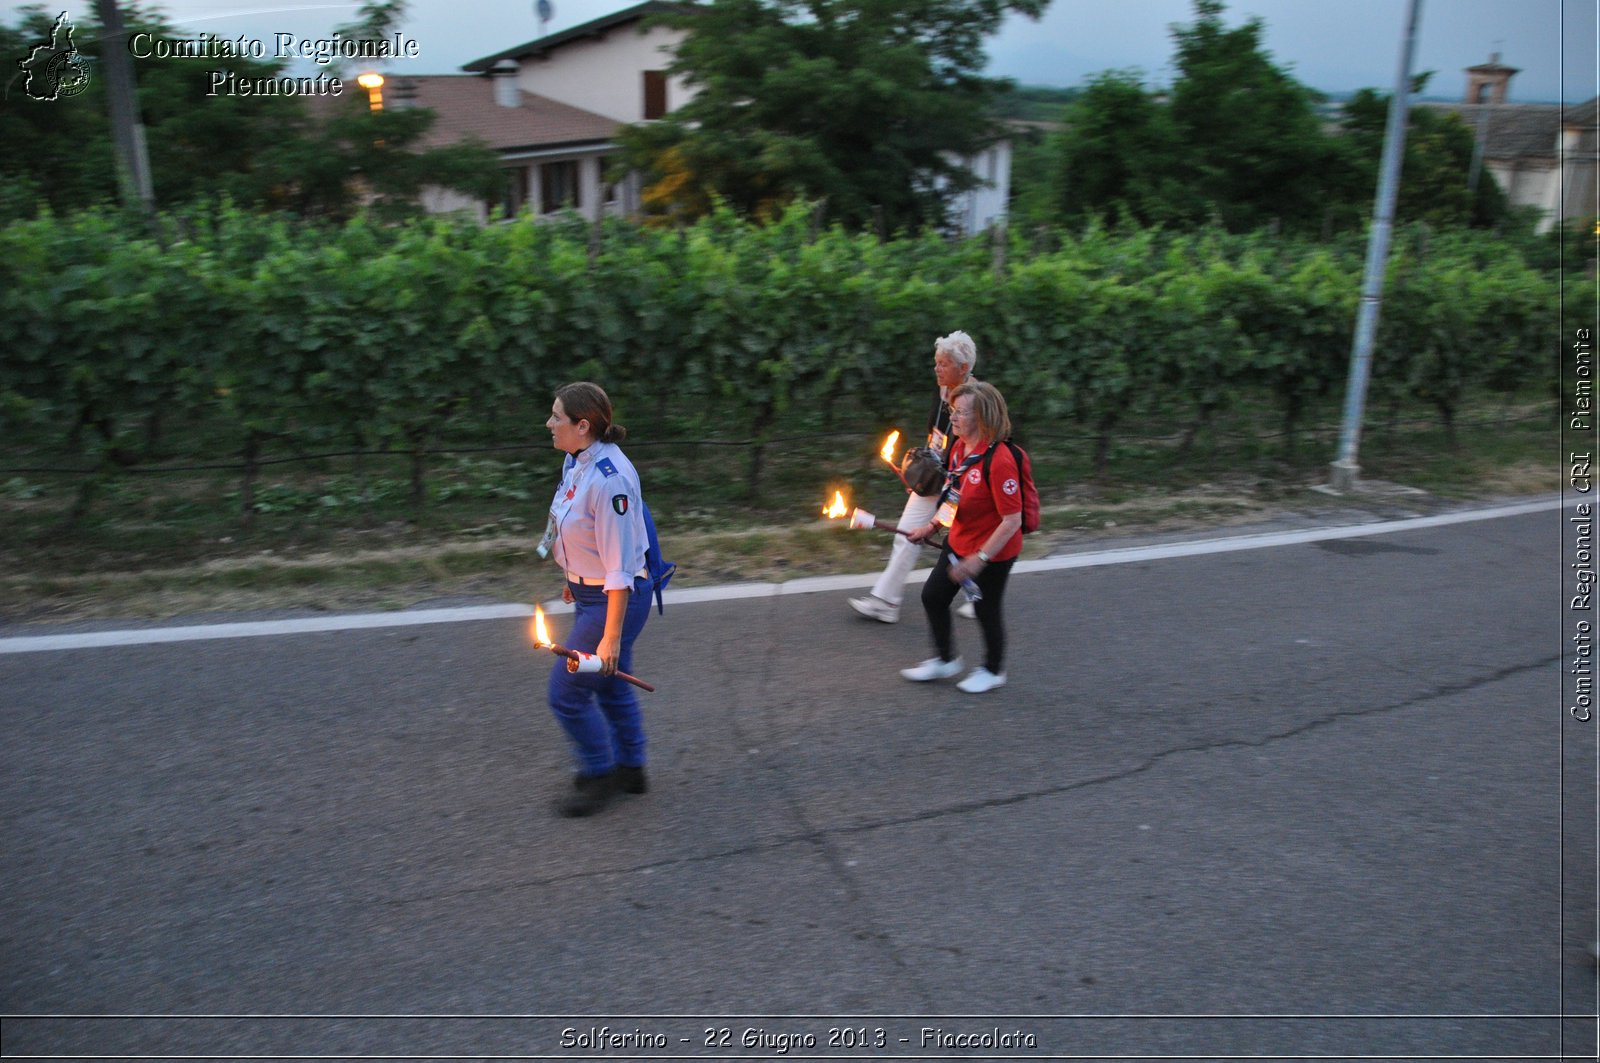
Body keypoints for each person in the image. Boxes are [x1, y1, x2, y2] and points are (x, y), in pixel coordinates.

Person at [537, 382, 656, 817]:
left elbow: (621, 568)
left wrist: (609, 636)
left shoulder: (612, 480)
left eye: (556, 417)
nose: (549, 424)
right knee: (609, 684)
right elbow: (578, 527)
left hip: (614, 598)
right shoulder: (577, 462)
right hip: (591, 592)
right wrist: (575, 574)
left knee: (566, 692)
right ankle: (631, 767)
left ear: (582, 425)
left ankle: (599, 772)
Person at [899, 380, 1023, 694]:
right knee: (933, 597)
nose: (952, 418)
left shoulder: (1001, 460)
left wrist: (978, 560)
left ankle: (994, 670)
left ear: (982, 419)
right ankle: (945, 659)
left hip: (993, 551)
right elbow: (954, 498)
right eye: (953, 411)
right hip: (960, 541)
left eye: (961, 413)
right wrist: (931, 528)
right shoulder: (957, 449)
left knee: (985, 608)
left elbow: (1011, 521)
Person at [849, 330, 979, 624]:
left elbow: (979, 450)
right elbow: (936, 434)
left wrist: (953, 490)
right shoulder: (942, 388)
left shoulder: (977, 399)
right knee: (907, 534)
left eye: (943, 364)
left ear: (964, 368)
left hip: (965, 481)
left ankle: (980, 592)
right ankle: (885, 602)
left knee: (967, 541)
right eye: (936, 362)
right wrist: (921, 476)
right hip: (936, 479)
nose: (936, 368)